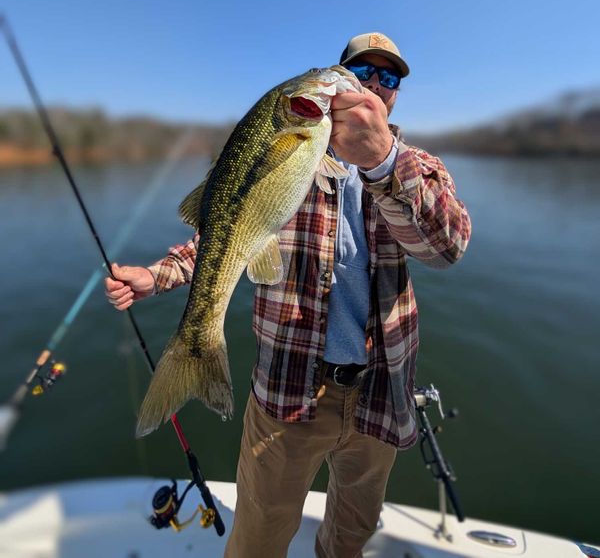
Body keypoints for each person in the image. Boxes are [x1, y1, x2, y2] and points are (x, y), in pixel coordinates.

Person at [105, 31, 471, 558]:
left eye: (387, 78)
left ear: (395, 94)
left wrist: (383, 163)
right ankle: (195, 353)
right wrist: (158, 274)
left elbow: (447, 247)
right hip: (287, 390)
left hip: (381, 392)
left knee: (352, 531)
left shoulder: (419, 168)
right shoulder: (298, 156)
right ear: (335, 80)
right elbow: (228, 226)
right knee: (258, 536)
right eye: (359, 71)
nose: (372, 83)